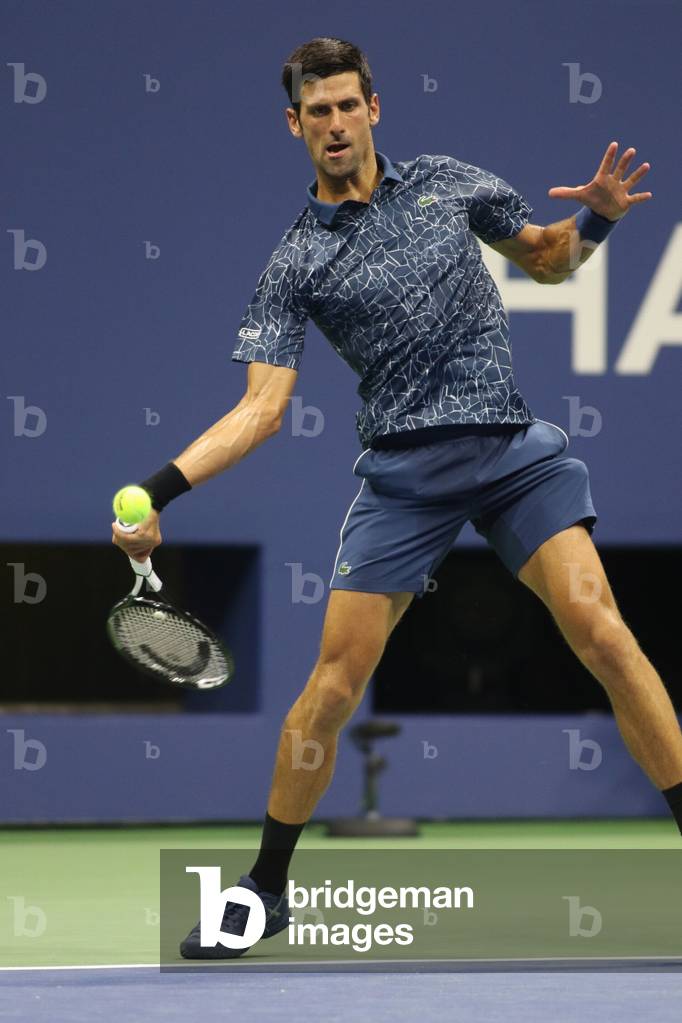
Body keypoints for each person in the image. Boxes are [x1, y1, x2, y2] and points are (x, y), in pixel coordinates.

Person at [112, 37, 682, 958]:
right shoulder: (295, 262)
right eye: (316, 112)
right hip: (404, 478)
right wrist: (156, 486)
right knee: (332, 688)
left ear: (373, 108)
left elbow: (545, 259)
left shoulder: (452, 183)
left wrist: (601, 223)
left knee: (604, 631)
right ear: (293, 125)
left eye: (348, 105)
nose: (335, 124)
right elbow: (260, 409)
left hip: (509, 450)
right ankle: (264, 889)